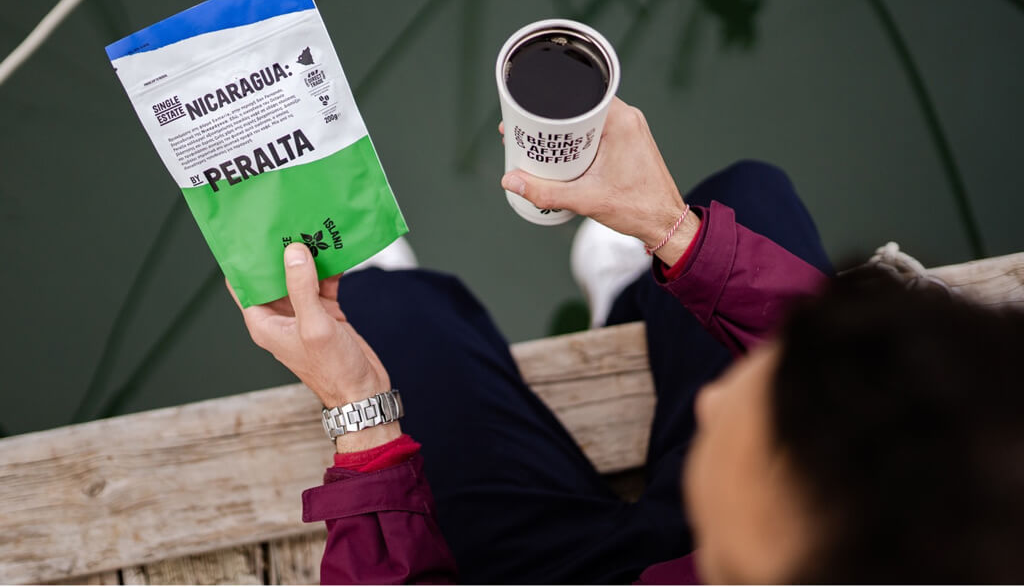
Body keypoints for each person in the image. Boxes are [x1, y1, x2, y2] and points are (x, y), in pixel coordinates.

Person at [229, 99, 1024, 583]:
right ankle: (629, 290)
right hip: (699, 554)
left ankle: (404, 286)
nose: (714, 401)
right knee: (746, 195)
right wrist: (675, 233)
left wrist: (362, 421)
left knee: (391, 318)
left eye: (758, 432)